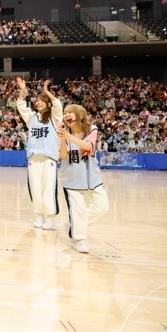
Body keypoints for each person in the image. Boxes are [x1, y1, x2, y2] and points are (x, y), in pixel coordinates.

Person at [58, 104, 109, 254]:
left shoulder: (92, 129)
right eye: (65, 112)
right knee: (78, 210)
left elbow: (88, 147)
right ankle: (79, 239)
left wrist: (68, 137)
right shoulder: (63, 133)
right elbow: (62, 156)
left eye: (70, 112)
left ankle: (74, 225)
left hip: (92, 177)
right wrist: (62, 139)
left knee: (102, 207)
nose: (66, 115)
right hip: (72, 179)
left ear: (80, 115)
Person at [15, 77, 62, 230]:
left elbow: (57, 104)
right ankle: (39, 215)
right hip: (33, 159)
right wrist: (22, 90)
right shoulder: (32, 118)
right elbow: (21, 105)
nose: (38, 102)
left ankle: (50, 218)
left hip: (49, 159)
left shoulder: (55, 119)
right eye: (37, 101)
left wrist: (47, 91)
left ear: (47, 103)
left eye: (41, 100)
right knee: (35, 188)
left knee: (48, 189)